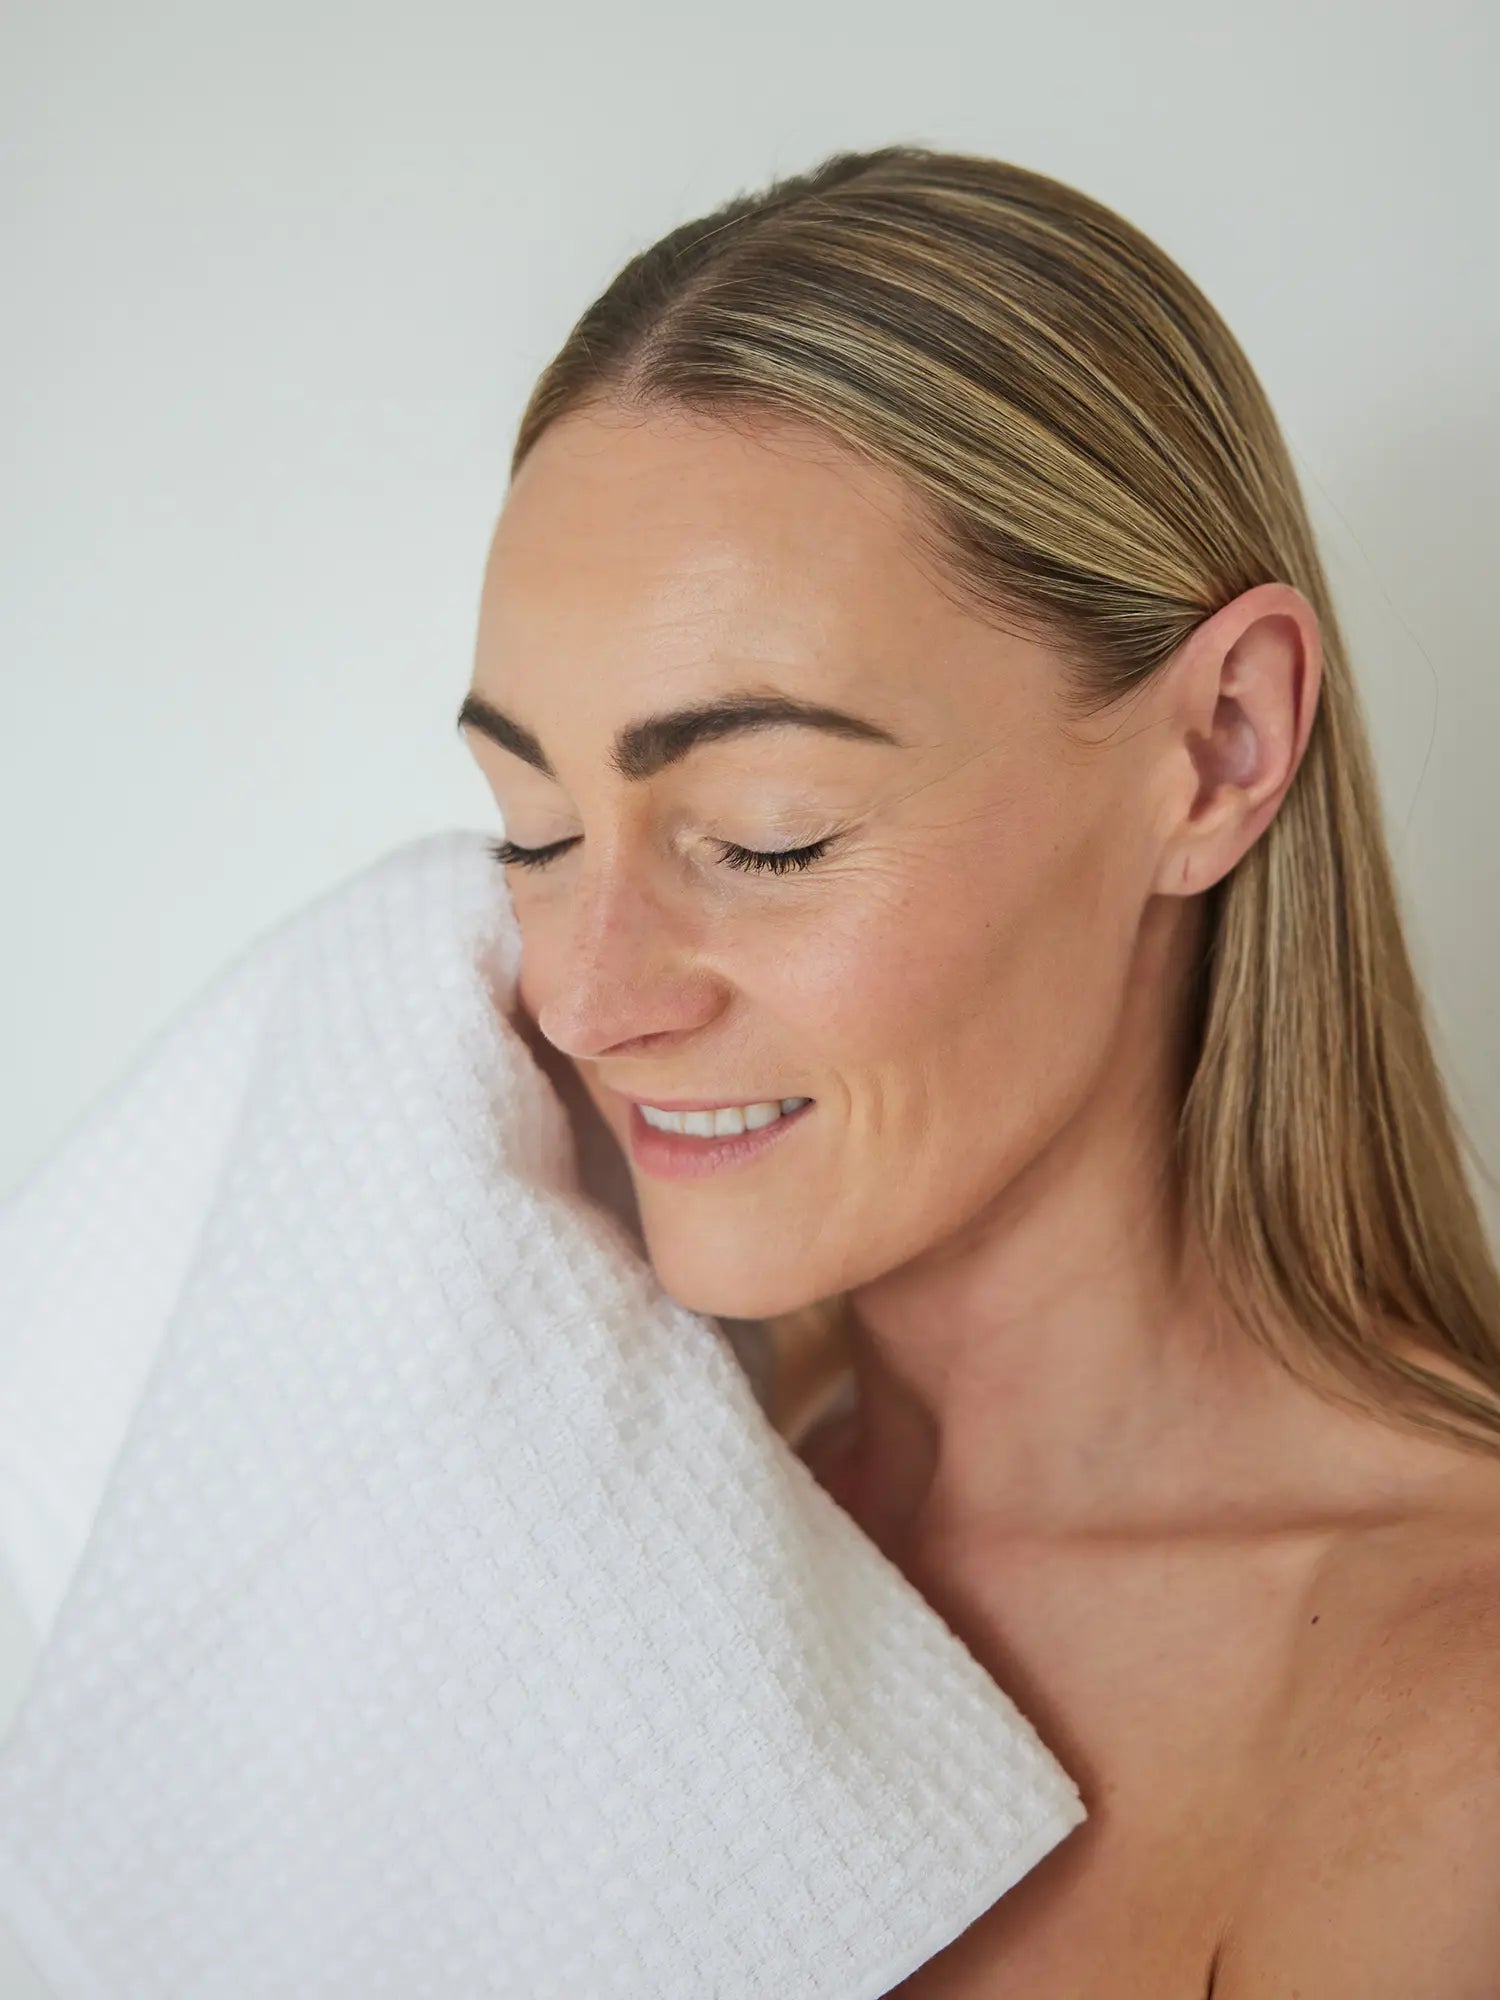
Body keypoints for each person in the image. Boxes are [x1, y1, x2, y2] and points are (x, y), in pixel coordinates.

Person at [456, 145, 1500, 1996]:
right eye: (532, 830)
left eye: (767, 836)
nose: (583, 997)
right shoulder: (587, 1528)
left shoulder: (1448, 1725)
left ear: (1220, 749)